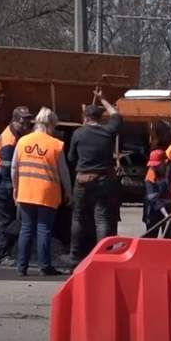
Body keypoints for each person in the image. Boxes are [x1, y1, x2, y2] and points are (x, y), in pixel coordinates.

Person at [62, 88, 122, 268]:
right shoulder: (108, 131)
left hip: (83, 180)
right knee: (102, 218)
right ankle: (103, 256)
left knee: (78, 217)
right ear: (99, 118)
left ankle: (75, 255)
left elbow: (71, 158)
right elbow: (116, 115)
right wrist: (103, 99)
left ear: (85, 118)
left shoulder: (78, 134)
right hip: (105, 180)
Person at [11, 107, 71, 276]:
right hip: (47, 193)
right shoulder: (55, 145)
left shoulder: (22, 141)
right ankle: (45, 266)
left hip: (26, 191)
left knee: (26, 229)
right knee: (44, 229)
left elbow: (14, 168)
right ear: (50, 125)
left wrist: (16, 188)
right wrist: (69, 192)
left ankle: (21, 267)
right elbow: (64, 172)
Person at [0, 106, 34, 264]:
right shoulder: (9, 143)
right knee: (4, 221)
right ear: (14, 120)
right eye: (23, 122)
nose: (26, 125)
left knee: (3, 220)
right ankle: (1, 255)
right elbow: (7, 173)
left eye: (28, 121)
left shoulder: (15, 134)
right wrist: (16, 193)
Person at [142, 149, 171, 238]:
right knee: (151, 238)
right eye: (153, 165)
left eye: (157, 165)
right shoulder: (150, 176)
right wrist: (166, 214)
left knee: (169, 240)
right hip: (153, 210)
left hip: (169, 207)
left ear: (165, 162)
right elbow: (153, 198)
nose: (154, 167)